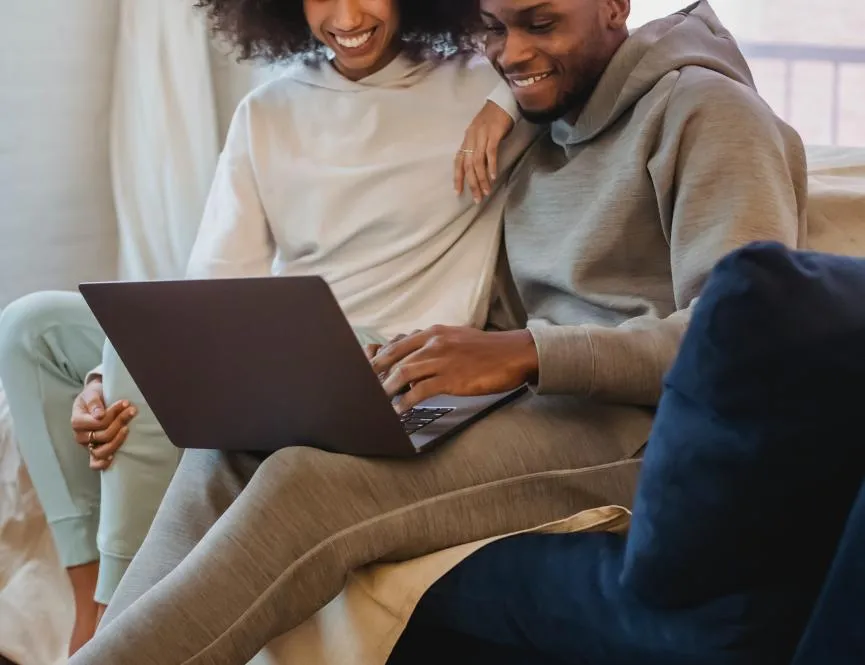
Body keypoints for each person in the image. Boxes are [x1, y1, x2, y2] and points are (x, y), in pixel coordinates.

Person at [70, 0, 807, 664]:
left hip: (636, 432)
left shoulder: (709, 112)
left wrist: (522, 352)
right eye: (494, 27)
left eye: (539, 23)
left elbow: (739, 342)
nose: (511, 52)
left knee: (305, 484)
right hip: (523, 404)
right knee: (232, 451)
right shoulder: (541, 118)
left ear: (615, 7)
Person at [0, 0, 534, 654]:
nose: (344, 15)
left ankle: (114, 629)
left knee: (143, 368)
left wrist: (505, 103)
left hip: (381, 358)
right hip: (276, 337)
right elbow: (212, 291)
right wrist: (101, 373)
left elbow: (603, 40)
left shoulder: (490, 83)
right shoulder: (268, 111)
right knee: (31, 328)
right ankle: (89, 612)